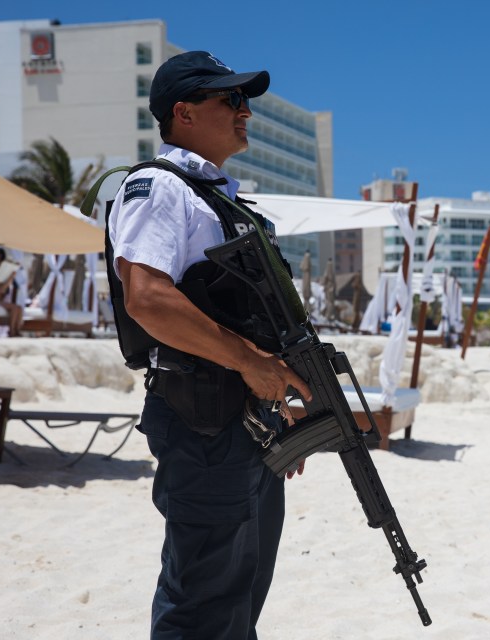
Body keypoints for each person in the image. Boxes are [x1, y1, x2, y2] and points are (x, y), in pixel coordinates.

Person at [107, 51, 313, 638]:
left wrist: (286, 401)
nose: (246, 112)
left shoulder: (218, 198)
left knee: (241, 591)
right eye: (232, 100)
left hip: (244, 421)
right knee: (202, 597)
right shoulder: (160, 188)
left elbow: (253, 320)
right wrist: (252, 364)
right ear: (184, 112)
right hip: (201, 422)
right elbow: (145, 296)